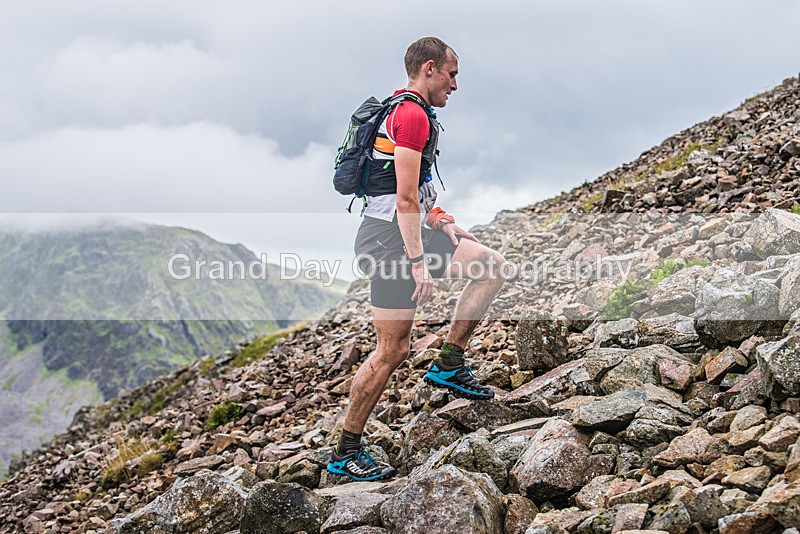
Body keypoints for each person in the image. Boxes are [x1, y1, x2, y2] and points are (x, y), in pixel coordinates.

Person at [327, 37, 507, 481]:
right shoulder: (409, 115)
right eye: (452, 74)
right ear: (430, 68)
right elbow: (404, 200)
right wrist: (418, 263)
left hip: (407, 230)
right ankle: (345, 452)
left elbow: (417, 193)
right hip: (389, 241)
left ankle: (449, 364)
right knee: (393, 350)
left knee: (490, 266)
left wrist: (443, 221)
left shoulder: (409, 111)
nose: (455, 85)